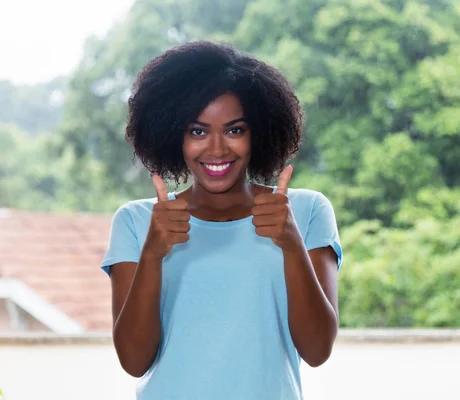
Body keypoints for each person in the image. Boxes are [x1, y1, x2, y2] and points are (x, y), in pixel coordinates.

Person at [100, 41, 343, 400]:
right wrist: (152, 253)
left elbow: (318, 350)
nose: (216, 149)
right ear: (173, 136)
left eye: (235, 130)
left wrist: (291, 243)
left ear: (258, 132)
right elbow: (134, 361)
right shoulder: (138, 222)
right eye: (197, 131)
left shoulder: (306, 212)